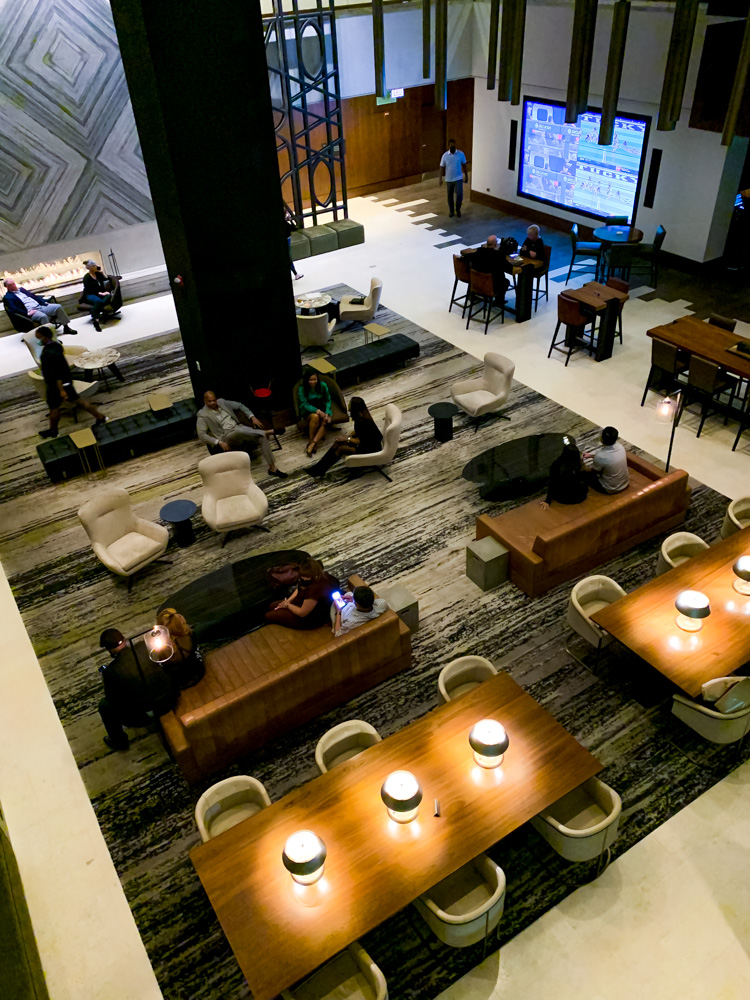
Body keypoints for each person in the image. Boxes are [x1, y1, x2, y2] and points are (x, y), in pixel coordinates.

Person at [98, 628, 177, 751]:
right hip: (170, 698)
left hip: (145, 716)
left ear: (109, 650)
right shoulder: (143, 646)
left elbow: (114, 701)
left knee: (105, 705)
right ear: (124, 639)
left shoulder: (110, 672)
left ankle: (119, 742)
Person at [36, 325, 107, 438]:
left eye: (38, 338)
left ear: (45, 337)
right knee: (76, 402)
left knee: (56, 407)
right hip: (64, 382)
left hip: (57, 385)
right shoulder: (56, 346)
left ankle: (53, 431)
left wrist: (61, 390)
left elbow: (57, 373)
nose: (37, 341)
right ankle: (100, 417)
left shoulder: (49, 353)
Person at [196, 391, 287, 477]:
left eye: (214, 400)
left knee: (261, 437)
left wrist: (252, 417)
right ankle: (268, 431)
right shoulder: (202, 414)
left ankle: (272, 469)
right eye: (209, 401)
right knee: (240, 431)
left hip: (241, 429)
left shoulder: (222, 402)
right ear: (204, 401)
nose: (213, 403)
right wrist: (219, 442)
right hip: (226, 436)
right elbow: (201, 435)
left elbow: (240, 405)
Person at [307, 396, 382, 479]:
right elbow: (362, 433)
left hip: (370, 449)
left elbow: (360, 441)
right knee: (337, 442)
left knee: (341, 448)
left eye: (350, 405)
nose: (349, 407)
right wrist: (349, 436)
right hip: (367, 444)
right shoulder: (363, 416)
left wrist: (347, 439)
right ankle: (319, 468)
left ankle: (320, 470)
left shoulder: (362, 422)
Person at [265, 558, 339, 630]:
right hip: (300, 602)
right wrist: (288, 600)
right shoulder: (308, 578)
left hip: (307, 618)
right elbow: (299, 589)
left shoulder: (316, 589)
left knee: (269, 616)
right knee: (272, 605)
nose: (303, 579)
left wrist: (287, 605)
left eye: (306, 577)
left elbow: (302, 612)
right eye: (302, 576)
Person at [3, 279, 77, 335]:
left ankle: (66, 328)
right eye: (11, 285)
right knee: (43, 317)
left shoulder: (22, 290)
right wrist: (27, 313)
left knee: (58, 307)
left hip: (40, 306)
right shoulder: (8, 297)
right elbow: (13, 309)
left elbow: (33, 296)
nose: (14, 285)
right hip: (31, 312)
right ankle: (51, 337)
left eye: (14, 283)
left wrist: (43, 302)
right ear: (7, 287)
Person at [155, 608, 205, 690]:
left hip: (179, 683)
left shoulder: (163, 648)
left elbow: (164, 666)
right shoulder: (190, 634)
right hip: (198, 672)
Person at [539, 439, 588, 510]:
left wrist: (547, 501)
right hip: (580, 496)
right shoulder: (578, 464)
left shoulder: (557, 465)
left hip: (563, 498)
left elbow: (553, 483)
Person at [583, 426, 630, 494]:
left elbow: (593, 472)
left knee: (583, 474)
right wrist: (590, 455)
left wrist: (583, 466)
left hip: (610, 488)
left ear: (602, 439)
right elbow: (606, 458)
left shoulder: (601, 456)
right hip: (625, 483)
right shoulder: (621, 447)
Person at [298, 370, 333, 457]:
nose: (313, 382)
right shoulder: (302, 389)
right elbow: (304, 404)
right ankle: (311, 440)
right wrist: (317, 411)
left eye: (315, 379)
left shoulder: (323, 386)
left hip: (322, 407)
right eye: (310, 380)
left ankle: (312, 444)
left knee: (326, 420)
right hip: (308, 409)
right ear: (307, 380)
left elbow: (328, 399)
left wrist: (327, 412)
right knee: (315, 417)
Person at [81, 260, 122, 331]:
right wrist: (100, 293)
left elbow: (106, 278)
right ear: (90, 268)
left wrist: (102, 272)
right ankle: (96, 321)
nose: (96, 267)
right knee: (98, 301)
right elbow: (88, 289)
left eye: (95, 265)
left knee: (109, 296)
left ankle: (95, 312)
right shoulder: (86, 277)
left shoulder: (98, 274)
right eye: (94, 266)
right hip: (90, 294)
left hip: (100, 294)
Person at [471, 235, 510, 300]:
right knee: (505, 282)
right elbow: (509, 268)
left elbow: (468, 257)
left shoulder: (479, 251)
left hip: (477, 282)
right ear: (496, 244)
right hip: (492, 285)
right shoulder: (499, 255)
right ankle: (499, 301)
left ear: (486, 244)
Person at [439, 138, 468, 218]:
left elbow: (464, 165)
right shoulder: (445, 156)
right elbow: (441, 167)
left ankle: (458, 209)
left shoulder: (461, 154)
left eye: (454, 146)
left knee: (459, 194)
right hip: (449, 179)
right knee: (450, 195)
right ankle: (451, 211)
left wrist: (466, 175)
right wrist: (440, 179)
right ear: (448, 146)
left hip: (458, 178)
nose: (453, 148)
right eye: (451, 146)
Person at [284, 207, 304, 280]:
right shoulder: (287, 224)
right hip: (287, 240)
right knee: (289, 258)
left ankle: (295, 273)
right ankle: (296, 274)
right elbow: (295, 228)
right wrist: (290, 220)